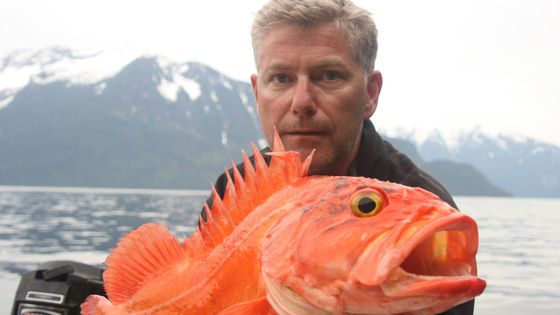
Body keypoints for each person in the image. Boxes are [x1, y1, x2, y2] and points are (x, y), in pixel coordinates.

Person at [203, 0, 475, 314]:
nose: (301, 101)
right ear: (257, 93)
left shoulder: (425, 211)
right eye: (280, 78)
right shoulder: (232, 194)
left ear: (370, 93)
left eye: (329, 75)